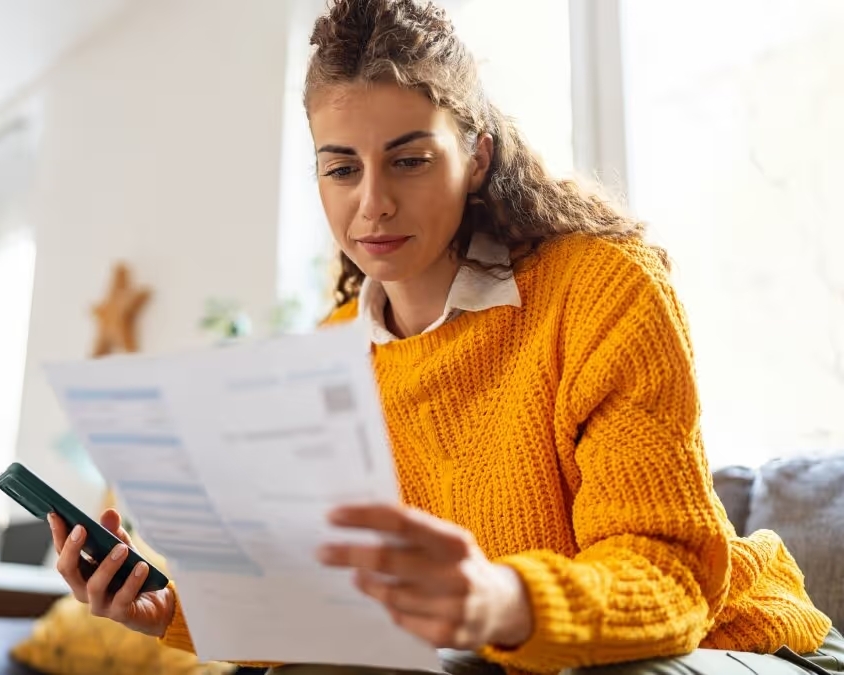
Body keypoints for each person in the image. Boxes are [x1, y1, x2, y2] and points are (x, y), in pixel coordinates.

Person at [48, 1, 843, 673]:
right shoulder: (332, 351)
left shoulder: (601, 287)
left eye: (410, 160)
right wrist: (169, 611)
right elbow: (317, 603)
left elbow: (670, 577)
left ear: (477, 156)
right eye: (342, 169)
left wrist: (496, 599)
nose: (372, 206)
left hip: (720, 642)